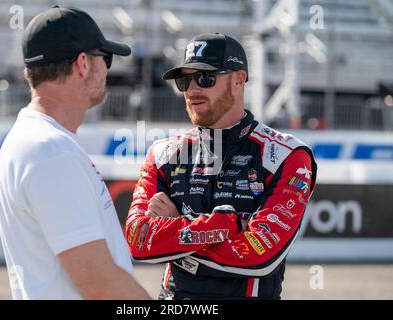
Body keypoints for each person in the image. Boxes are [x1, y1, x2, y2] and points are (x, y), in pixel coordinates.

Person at [126, 33, 317, 299]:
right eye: (185, 80)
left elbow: (260, 255)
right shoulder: (164, 154)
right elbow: (138, 240)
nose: (192, 90)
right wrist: (228, 225)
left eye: (206, 78)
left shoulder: (287, 155)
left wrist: (174, 229)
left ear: (239, 80)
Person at [0, 6, 150, 300]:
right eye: (105, 58)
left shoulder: (33, 140)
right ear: (82, 64)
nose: (107, 69)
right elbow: (99, 284)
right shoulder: (51, 151)